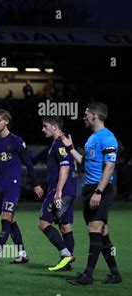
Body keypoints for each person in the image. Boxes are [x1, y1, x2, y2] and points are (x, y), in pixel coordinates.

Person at [62, 102, 122, 285]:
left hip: (100, 189)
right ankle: (115, 273)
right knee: (102, 232)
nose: (83, 116)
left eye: (86, 113)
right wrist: (71, 148)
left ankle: (88, 275)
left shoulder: (108, 137)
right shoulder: (91, 138)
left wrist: (98, 192)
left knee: (94, 229)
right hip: (90, 189)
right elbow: (84, 162)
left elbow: (110, 166)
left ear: (95, 115)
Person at [0, 109, 43, 264]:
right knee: (11, 220)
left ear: (7, 121)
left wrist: (35, 184)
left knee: (6, 217)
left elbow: (28, 163)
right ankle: (22, 254)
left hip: (13, 185)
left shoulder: (16, 140)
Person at [38, 116, 77, 271]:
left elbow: (65, 167)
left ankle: (66, 254)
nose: (42, 129)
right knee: (65, 225)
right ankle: (66, 263)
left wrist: (58, 191)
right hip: (71, 189)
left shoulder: (59, 143)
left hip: (60, 190)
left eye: (45, 126)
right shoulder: (65, 142)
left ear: (55, 127)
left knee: (43, 223)